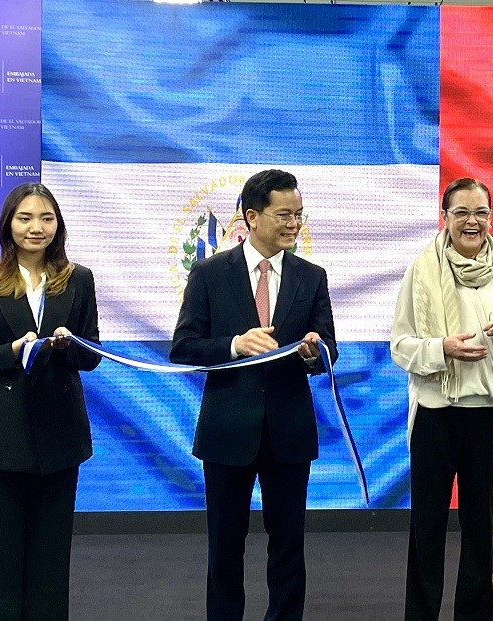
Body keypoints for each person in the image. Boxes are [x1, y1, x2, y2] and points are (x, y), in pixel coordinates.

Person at [170, 169, 337, 621]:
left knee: (288, 547)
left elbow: (329, 352)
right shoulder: (208, 274)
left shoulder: (312, 276)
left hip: (289, 432)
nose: (293, 224)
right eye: (284, 214)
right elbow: (182, 347)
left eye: (299, 215)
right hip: (227, 431)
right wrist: (233, 345)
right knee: (224, 549)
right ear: (251, 216)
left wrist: (311, 352)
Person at [391, 177, 493, 621]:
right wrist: (443, 349)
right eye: (461, 213)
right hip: (436, 414)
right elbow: (400, 346)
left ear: (492, 218)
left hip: (484, 414)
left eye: (480, 213)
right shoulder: (421, 269)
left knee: (479, 526)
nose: (471, 222)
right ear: (446, 218)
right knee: (427, 527)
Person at [0, 183, 102, 620]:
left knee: (51, 561)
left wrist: (69, 345)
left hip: (60, 434)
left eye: (46, 219)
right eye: (26, 218)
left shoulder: (78, 279)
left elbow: (91, 355)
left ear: (59, 225)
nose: (37, 228)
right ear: (7, 225)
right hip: (0, 437)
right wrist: (13, 351)